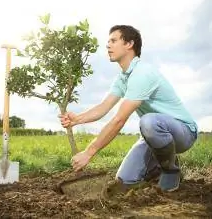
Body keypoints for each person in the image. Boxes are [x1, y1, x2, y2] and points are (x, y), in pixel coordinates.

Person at [59, 25, 198, 192]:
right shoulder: (123, 77)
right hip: (153, 135)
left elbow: (119, 120)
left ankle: (170, 169)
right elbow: (104, 107)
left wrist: (89, 153)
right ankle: (158, 167)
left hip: (183, 132)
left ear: (129, 44)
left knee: (149, 121)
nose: (108, 45)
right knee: (124, 180)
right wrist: (77, 119)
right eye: (108, 41)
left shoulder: (142, 73)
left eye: (113, 40)